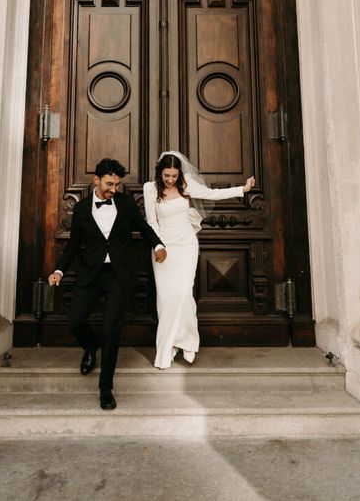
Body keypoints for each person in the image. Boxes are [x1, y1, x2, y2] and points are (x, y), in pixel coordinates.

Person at [48, 158, 167, 410]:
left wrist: (158, 245)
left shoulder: (125, 204)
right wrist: (59, 270)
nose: (114, 189)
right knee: (75, 321)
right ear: (97, 180)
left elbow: (144, 229)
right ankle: (91, 346)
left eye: (117, 185)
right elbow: (73, 246)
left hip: (118, 275)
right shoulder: (81, 209)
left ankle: (106, 389)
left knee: (111, 330)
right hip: (90, 274)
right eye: (110, 184)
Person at [143, 151, 255, 369]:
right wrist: (158, 245)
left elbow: (211, 194)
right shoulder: (150, 189)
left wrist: (242, 189)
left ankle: (187, 341)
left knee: (184, 293)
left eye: (174, 176)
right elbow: (151, 221)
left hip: (186, 245)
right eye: (167, 175)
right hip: (163, 248)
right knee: (166, 299)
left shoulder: (185, 185)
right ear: (160, 172)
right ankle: (168, 348)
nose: (170, 180)